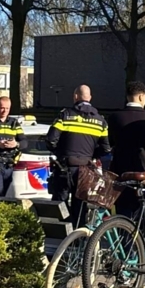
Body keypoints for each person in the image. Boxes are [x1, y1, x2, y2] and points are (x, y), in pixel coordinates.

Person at [46, 85, 111, 226]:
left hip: (65, 167)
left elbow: (50, 140)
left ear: (75, 97)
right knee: (80, 206)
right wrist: (91, 156)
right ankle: (78, 240)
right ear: (90, 98)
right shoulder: (101, 121)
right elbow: (106, 149)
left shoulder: (65, 115)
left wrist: (61, 153)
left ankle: (61, 239)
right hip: (86, 170)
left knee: (60, 204)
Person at [107, 81, 145, 218]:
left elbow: (111, 143)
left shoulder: (114, 118)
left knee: (123, 216)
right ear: (142, 97)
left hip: (121, 173)